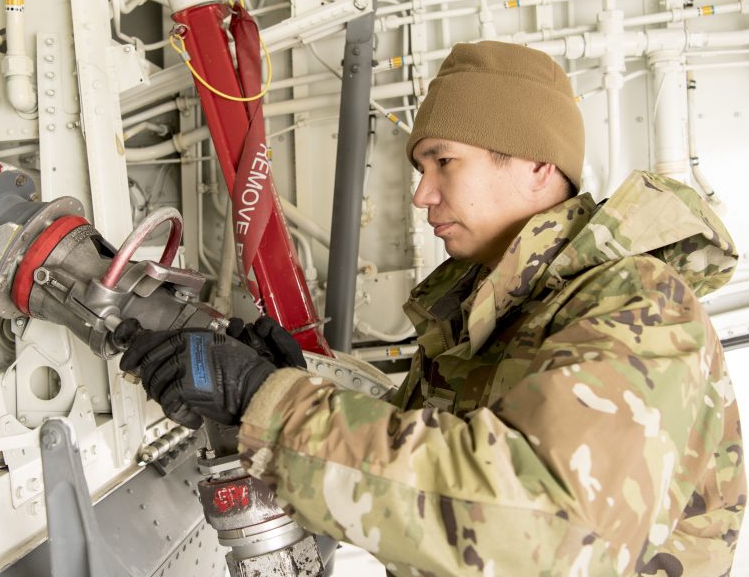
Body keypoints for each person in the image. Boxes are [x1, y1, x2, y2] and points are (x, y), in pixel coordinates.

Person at [120, 42, 745, 575]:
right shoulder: (505, 313)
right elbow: (445, 455)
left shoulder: (637, 303)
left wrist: (271, 405)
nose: (422, 193)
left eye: (443, 160)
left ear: (536, 165)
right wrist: (294, 381)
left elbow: (550, 528)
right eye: (421, 167)